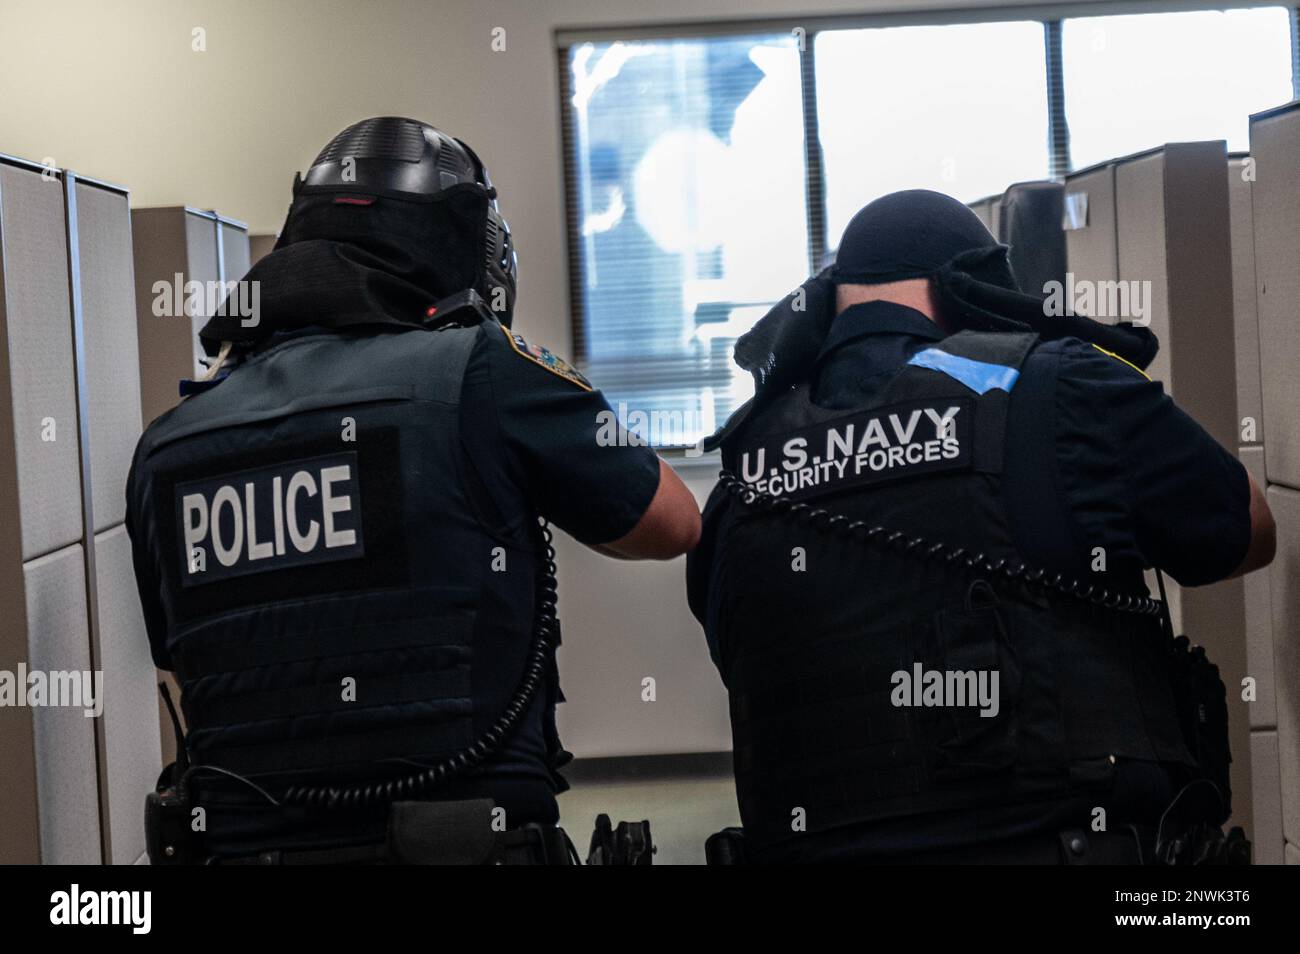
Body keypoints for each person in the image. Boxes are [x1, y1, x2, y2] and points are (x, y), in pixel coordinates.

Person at [127, 117, 700, 865]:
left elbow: (180, 658)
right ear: (467, 245)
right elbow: (671, 522)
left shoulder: (167, 445)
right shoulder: (482, 372)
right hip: (464, 845)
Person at [687, 189, 1274, 864]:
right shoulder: (1058, 384)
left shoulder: (744, 464)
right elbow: (1246, 531)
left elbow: (737, 648)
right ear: (971, 291)